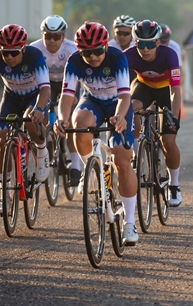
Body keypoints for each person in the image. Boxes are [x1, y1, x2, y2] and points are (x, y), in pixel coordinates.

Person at [54, 22, 139, 245]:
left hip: (118, 105)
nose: (93, 57)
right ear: (79, 51)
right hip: (92, 101)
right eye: (87, 53)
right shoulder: (73, 62)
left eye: (98, 51)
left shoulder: (117, 58)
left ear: (105, 46)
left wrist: (120, 116)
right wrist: (61, 118)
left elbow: (124, 96)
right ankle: (89, 169)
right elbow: (67, 97)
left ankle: (130, 222)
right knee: (78, 123)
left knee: (121, 159)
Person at [0, 25, 51, 215]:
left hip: (35, 97)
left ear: (23, 48)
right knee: (2, 141)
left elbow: (45, 88)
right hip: (11, 98)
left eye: (13, 52)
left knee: (28, 119)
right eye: (5, 52)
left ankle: (42, 151)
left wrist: (40, 109)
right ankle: (5, 194)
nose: (9, 57)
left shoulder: (34, 56)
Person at [125, 20, 183, 207]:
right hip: (144, 87)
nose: (145, 49)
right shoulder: (128, 56)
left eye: (150, 44)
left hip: (167, 91)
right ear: (135, 43)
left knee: (168, 141)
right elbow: (122, 88)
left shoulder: (170, 55)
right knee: (130, 106)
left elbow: (176, 90)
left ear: (158, 43)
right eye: (141, 44)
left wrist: (174, 117)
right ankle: (135, 149)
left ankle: (174, 185)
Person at [30, 15, 82, 185]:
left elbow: (80, 76)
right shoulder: (34, 49)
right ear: (42, 35)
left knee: (70, 123)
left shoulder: (72, 49)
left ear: (63, 37)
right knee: (42, 118)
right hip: (46, 85)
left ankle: (75, 166)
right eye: (48, 36)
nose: (52, 40)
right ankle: (49, 144)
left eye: (56, 37)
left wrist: (75, 96)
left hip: (69, 83)